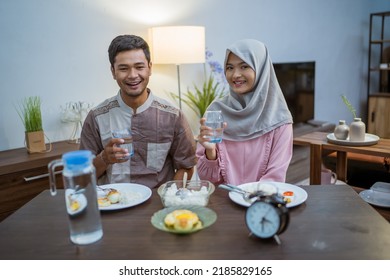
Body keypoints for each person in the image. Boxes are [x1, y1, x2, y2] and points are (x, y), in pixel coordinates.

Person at [80, 35, 196, 188]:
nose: (133, 75)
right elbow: (81, 178)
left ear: (150, 68)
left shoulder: (173, 116)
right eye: (123, 68)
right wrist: (104, 158)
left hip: (158, 204)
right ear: (113, 71)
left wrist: (170, 196)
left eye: (139, 67)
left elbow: (186, 166)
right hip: (113, 203)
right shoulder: (97, 117)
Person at [196, 39, 293, 186]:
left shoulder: (279, 118)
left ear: (261, 69)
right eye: (229, 68)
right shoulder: (215, 111)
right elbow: (207, 180)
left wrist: (244, 198)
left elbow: (275, 178)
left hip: (261, 202)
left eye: (244, 66)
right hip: (223, 203)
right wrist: (210, 153)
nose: (235, 75)